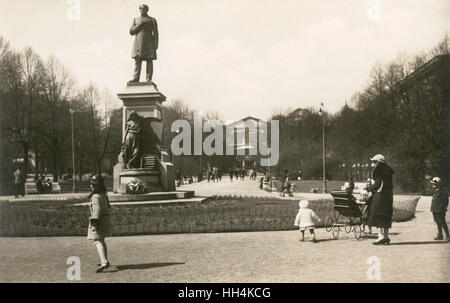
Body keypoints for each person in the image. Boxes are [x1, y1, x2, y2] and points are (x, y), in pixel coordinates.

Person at [366, 154, 394, 245]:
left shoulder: (379, 170)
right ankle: (386, 237)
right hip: (388, 196)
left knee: (376, 214)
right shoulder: (388, 170)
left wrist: (369, 188)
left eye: (374, 162)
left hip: (380, 195)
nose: (373, 164)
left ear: (378, 162)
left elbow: (378, 184)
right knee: (386, 215)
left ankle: (380, 236)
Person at [87, 174, 112, 273]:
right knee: (101, 240)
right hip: (105, 219)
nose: (91, 186)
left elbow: (97, 210)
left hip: (99, 220)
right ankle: (105, 260)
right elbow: (107, 208)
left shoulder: (95, 196)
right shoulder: (103, 194)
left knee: (97, 241)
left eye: (92, 184)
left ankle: (104, 262)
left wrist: (94, 224)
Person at [129, 4, 158, 83]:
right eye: (140, 8)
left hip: (149, 43)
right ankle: (135, 78)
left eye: (142, 8)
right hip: (138, 42)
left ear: (146, 9)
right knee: (137, 61)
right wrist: (139, 26)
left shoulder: (152, 20)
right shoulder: (136, 19)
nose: (141, 9)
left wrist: (156, 44)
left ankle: (149, 78)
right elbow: (131, 32)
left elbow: (155, 33)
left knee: (149, 60)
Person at [430, 177, 449, 241]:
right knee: (438, 222)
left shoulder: (442, 191)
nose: (433, 185)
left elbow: (446, 200)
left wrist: (444, 208)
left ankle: (448, 236)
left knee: (443, 222)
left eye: (434, 184)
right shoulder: (436, 190)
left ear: (438, 184)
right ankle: (440, 235)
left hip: (440, 210)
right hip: (435, 209)